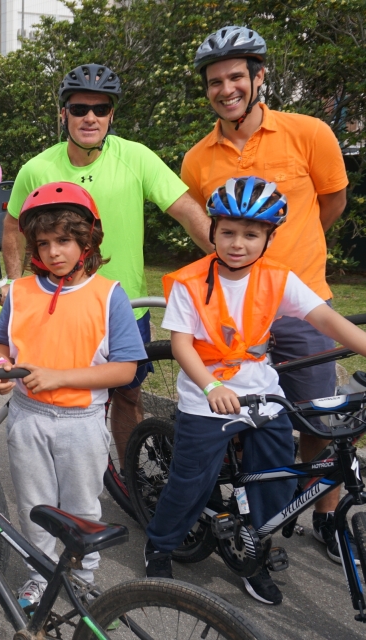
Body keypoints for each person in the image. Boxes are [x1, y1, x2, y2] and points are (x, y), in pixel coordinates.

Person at [144, 177, 366, 605]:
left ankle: (256, 554)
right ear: (212, 231)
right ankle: (161, 543)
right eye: (227, 232)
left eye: (251, 234)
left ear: (269, 237)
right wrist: (211, 385)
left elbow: (328, 321)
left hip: (263, 394)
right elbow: (181, 346)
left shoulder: (277, 278)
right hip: (207, 397)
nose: (237, 244)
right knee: (191, 483)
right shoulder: (191, 282)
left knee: (276, 480)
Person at [181, 26, 350, 562]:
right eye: (215, 81)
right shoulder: (197, 159)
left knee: (315, 415)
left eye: (236, 77)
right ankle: (251, 518)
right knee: (236, 420)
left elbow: (332, 204)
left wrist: (287, 264)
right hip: (230, 311)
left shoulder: (309, 132)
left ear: (258, 77)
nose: (226, 89)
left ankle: (325, 512)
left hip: (298, 305)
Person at [1, 63, 212, 466]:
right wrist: (15, 281)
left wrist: (225, 257)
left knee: (127, 394)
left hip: (123, 302)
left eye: (101, 108)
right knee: (62, 393)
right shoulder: (37, 168)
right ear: (64, 113)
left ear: (112, 114)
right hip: (59, 304)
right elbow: (12, 224)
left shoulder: (136, 157)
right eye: (79, 108)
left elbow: (186, 210)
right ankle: (73, 475)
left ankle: (130, 479)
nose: (90, 117)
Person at [0, 182, 146, 609]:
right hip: (27, 417)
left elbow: (126, 368)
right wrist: (2, 367)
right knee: (35, 505)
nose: (55, 251)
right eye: (44, 242)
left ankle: (83, 575)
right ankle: (41, 574)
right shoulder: (19, 293)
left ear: (86, 241)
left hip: (82, 423)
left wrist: (59, 377)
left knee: (81, 505)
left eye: (65, 240)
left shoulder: (108, 295)